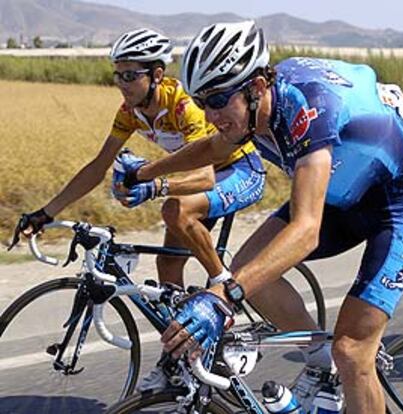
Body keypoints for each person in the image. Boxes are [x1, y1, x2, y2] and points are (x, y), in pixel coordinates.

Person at [122, 21, 403, 413]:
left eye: (219, 99)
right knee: (248, 271)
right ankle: (319, 360)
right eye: (202, 101)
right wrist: (146, 173)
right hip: (339, 193)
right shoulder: (247, 110)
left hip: (397, 201)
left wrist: (221, 297)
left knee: (352, 351)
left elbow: (307, 231)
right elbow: (213, 146)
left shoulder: (309, 107)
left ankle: (339, 362)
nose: (211, 114)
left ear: (257, 87)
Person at [17, 28, 265, 392]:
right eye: (117, 74)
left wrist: (155, 185)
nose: (122, 83)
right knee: (167, 267)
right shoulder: (130, 111)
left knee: (174, 210)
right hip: (202, 181)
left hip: (240, 172)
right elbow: (98, 166)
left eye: (131, 75)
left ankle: (224, 293)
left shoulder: (184, 105)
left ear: (157, 75)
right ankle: (182, 355)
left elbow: (205, 176)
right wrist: (45, 212)